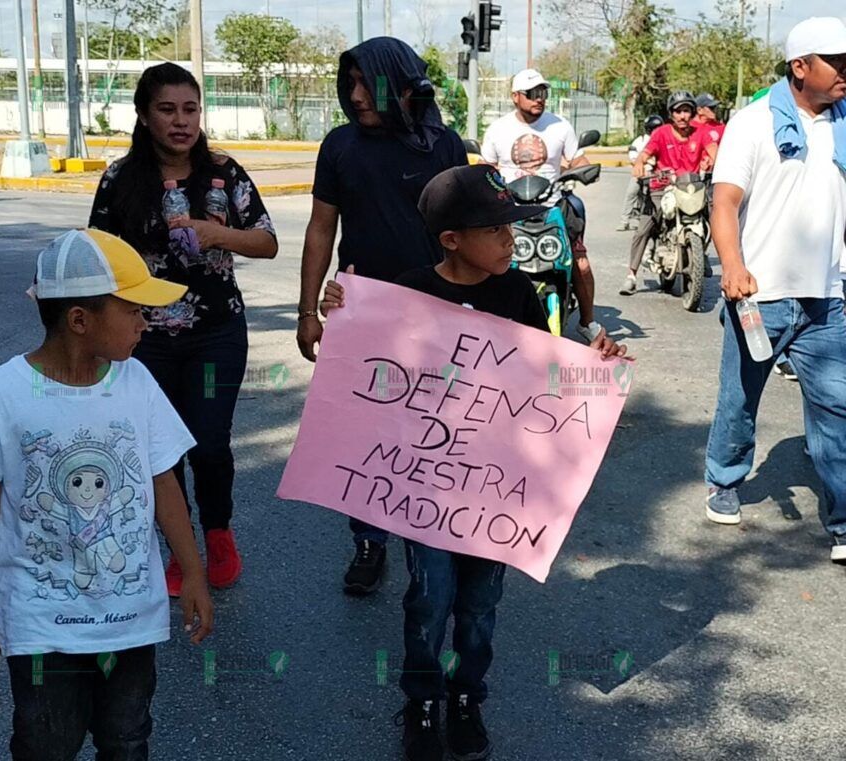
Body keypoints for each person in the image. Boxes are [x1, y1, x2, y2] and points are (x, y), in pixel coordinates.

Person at [320, 165, 627, 761]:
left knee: (481, 603)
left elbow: (546, 380)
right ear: (452, 240)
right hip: (428, 486)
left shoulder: (517, 295)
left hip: (495, 490)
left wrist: (593, 361)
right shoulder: (413, 290)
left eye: (513, 229)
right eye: (496, 230)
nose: (511, 241)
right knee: (429, 597)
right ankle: (423, 698)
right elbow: (372, 369)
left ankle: (467, 696)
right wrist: (343, 312)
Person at [0, 228, 215, 759]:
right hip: (42, 627)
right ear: (80, 320)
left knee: (128, 740)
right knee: (46, 744)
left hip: (130, 619)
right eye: (132, 309)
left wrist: (193, 570)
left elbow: (164, 480)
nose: (144, 321)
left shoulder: (137, 383)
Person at [90, 63, 278, 596]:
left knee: (210, 444)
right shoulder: (119, 179)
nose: (181, 121)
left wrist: (218, 233)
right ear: (144, 117)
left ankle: (218, 533)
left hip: (216, 331)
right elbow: (98, 255)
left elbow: (267, 242)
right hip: (143, 338)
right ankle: (180, 545)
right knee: (159, 450)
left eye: (190, 109)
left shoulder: (225, 172)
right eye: (167, 110)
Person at [296, 37, 467, 596]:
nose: (355, 95)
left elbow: (466, 232)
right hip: (361, 315)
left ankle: (430, 538)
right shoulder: (340, 146)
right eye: (349, 83)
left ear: (399, 83)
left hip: (436, 317)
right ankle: (369, 541)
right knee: (366, 434)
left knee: (431, 431)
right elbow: (321, 229)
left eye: (367, 82)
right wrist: (308, 312)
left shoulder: (443, 146)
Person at [704, 17, 846, 565]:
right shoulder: (753, 122)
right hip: (758, 296)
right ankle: (724, 478)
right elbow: (725, 203)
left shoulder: (843, 122)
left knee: (837, 409)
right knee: (739, 401)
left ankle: (841, 520)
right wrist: (732, 267)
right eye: (838, 61)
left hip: (828, 299)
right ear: (800, 66)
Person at [481, 68, 604, 344]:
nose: (539, 99)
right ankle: (485, 317)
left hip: (553, 205)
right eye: (532, 93)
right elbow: (485, 167)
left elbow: (577, 160)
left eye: (543, 93)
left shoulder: (560, 126)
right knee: (489, 261)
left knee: (580, 263)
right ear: (515, 96)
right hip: (510, 210)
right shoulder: (498, 129)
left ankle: (587, 321)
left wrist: (586, 170)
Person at [619, 91, 718, 296]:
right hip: (661, 186)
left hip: (691, 186)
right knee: (645, 227)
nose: (683, 116)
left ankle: (702, 254)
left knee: (713, 216)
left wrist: (718, 163)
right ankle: (631, 274)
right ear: (671, 114)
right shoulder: (661, 133)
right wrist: (639, 165)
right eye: (678, 111)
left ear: (692, 113)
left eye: (687, 111)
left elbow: (714, 151)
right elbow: (645, 155)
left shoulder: (701, 133)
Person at [616, 114, 664, 231]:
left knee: (653, 197)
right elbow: (633, 158)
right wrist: (642, 165)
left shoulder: (662, 140)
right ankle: (624, 221)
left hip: (655, 174)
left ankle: (651, 221)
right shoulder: (639, 141)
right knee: (631, 194)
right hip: (640, 173)